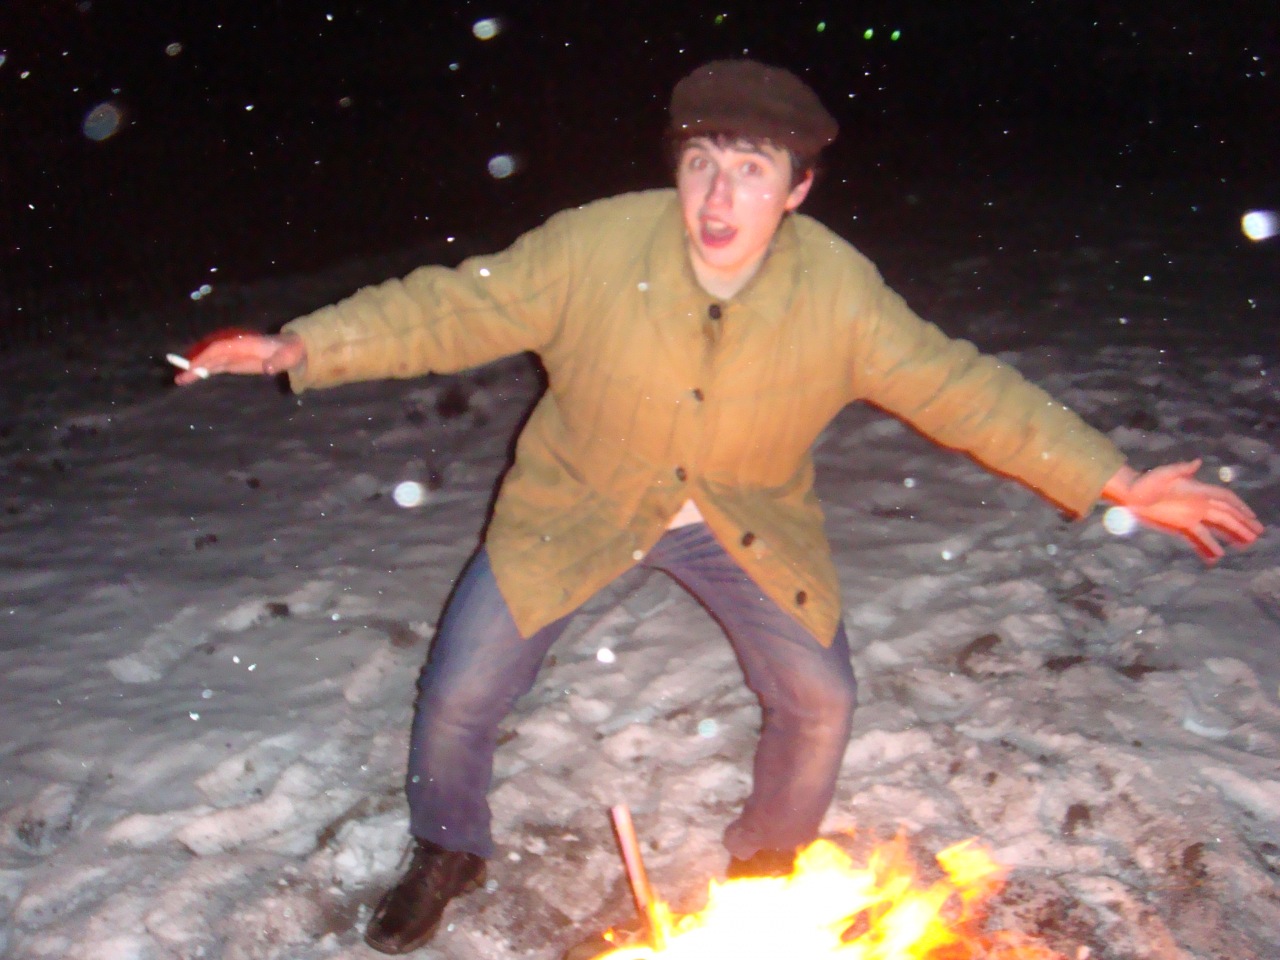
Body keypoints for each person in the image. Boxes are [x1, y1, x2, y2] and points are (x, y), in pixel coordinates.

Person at [175, 59, 1263, 955]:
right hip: (578, 504)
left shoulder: (837, 291)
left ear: (797, 189)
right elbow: (455, 308)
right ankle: (449, 845)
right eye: (700, 164)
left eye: (749, 171)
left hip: (741, 520)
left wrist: (1115, 480)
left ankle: (767, 865)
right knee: (458, 691)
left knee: (820, 699)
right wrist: (301, 347)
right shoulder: (595, 245)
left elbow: (960, 387)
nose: (716, 198)